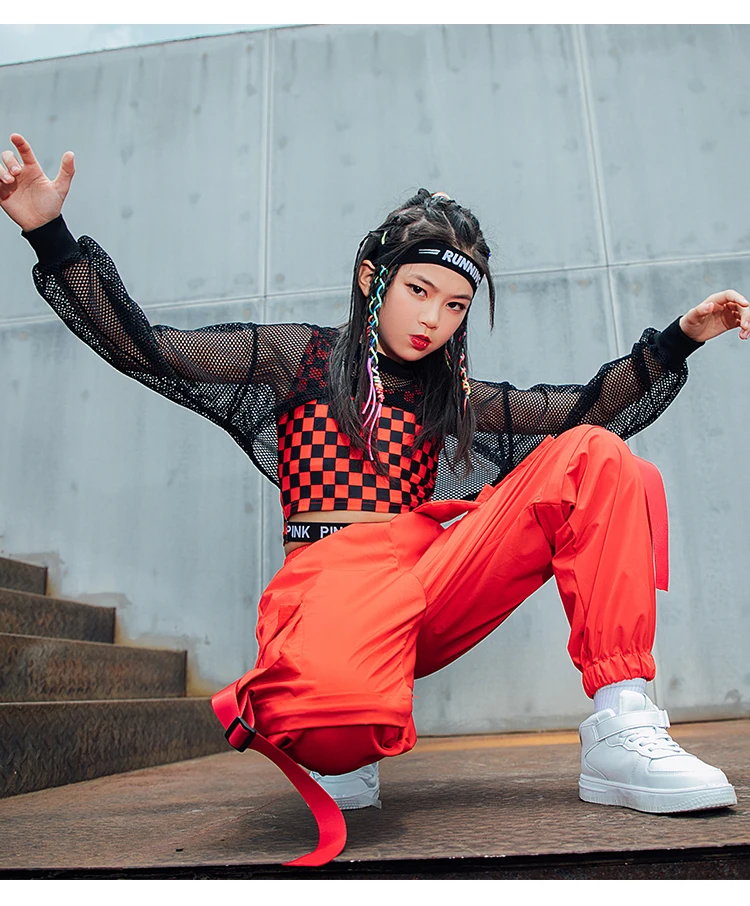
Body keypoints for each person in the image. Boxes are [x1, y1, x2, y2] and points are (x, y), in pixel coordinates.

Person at [2, 133, 747, 867]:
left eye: (455, 305)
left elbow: (584, 407)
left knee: (595, 453)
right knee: (335, 739)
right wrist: (49, 234)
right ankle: (341, 722)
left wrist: (680, 339)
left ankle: (623, 724)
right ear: (371, 278)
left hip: (426, 584)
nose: (433, 319)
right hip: (330, 591)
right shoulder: (299, 359)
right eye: (419, 290)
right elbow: (147, 348)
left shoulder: (451, 396)